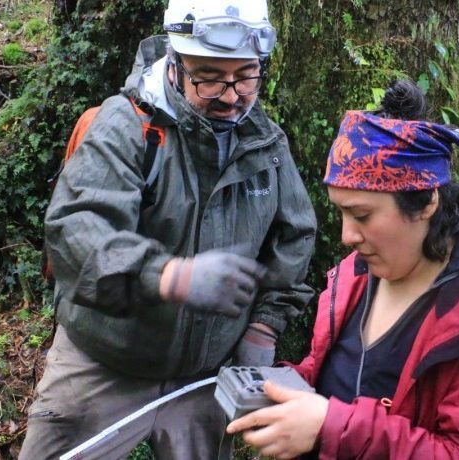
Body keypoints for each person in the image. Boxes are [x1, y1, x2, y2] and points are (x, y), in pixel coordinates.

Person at [19, 0, 316, 458]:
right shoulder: (128, 125)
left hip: (204, 376)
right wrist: (169, 277)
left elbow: (294, 236)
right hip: (103, 365)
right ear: (175, 65)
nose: (231, 96)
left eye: (246, 76)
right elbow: (79, 228)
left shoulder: (265, 141)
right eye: (210, 78)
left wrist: (263, 328)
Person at [227, 80, 459, 459]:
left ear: (426, 202)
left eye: (362, 215)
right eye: (341, 212)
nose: (346, 236)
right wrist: (284, 392)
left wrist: (331, 427)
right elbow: (337, 381)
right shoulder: (355, 277)